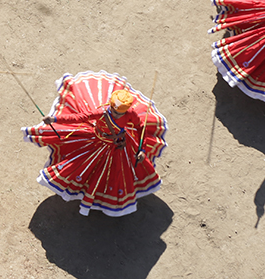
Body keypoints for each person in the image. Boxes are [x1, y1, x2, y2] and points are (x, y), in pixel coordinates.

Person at [23, 71, 167, 217]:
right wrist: (54, 120)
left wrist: (141, 148)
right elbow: (79, 117)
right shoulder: (102, 112)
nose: (114, 114)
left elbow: (140, 127)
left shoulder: (131, 114)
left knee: (117, 174)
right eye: (113, 110)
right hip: (96, 141)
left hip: (119, 145)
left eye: (118, 113)